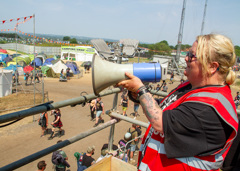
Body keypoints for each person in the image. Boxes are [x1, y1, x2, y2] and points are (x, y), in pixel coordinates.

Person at [117, 34, 238, 170]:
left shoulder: (210, 106)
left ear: (212, 67)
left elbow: (160, 121)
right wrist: (137, 94)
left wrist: (140, 90)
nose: (186, 58)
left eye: (192, 56)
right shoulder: (193, 87)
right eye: (188, 53)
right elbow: (164, 106)